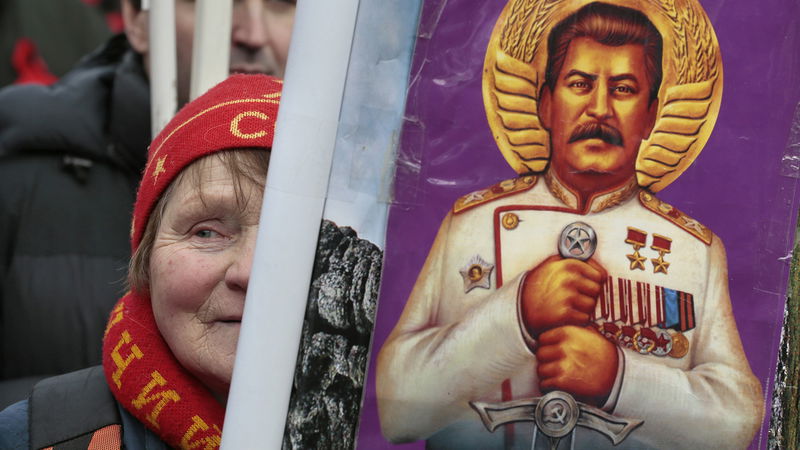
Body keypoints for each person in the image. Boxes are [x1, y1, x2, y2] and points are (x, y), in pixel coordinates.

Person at [376, 3, 763, 449]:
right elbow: (395, 409)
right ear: (545, 103)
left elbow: (737, 422)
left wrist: (619, 378)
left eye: (623, 88)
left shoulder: (695, 250)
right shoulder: (472, 224)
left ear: (652, 115)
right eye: (580, 84)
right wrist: (518, 314)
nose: (599, 109)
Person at [0, 0, 295, 409]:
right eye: (205, 230)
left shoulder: (372, 190)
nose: (251, 33)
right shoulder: (16, 163)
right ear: (139, 21)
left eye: (284, 3)